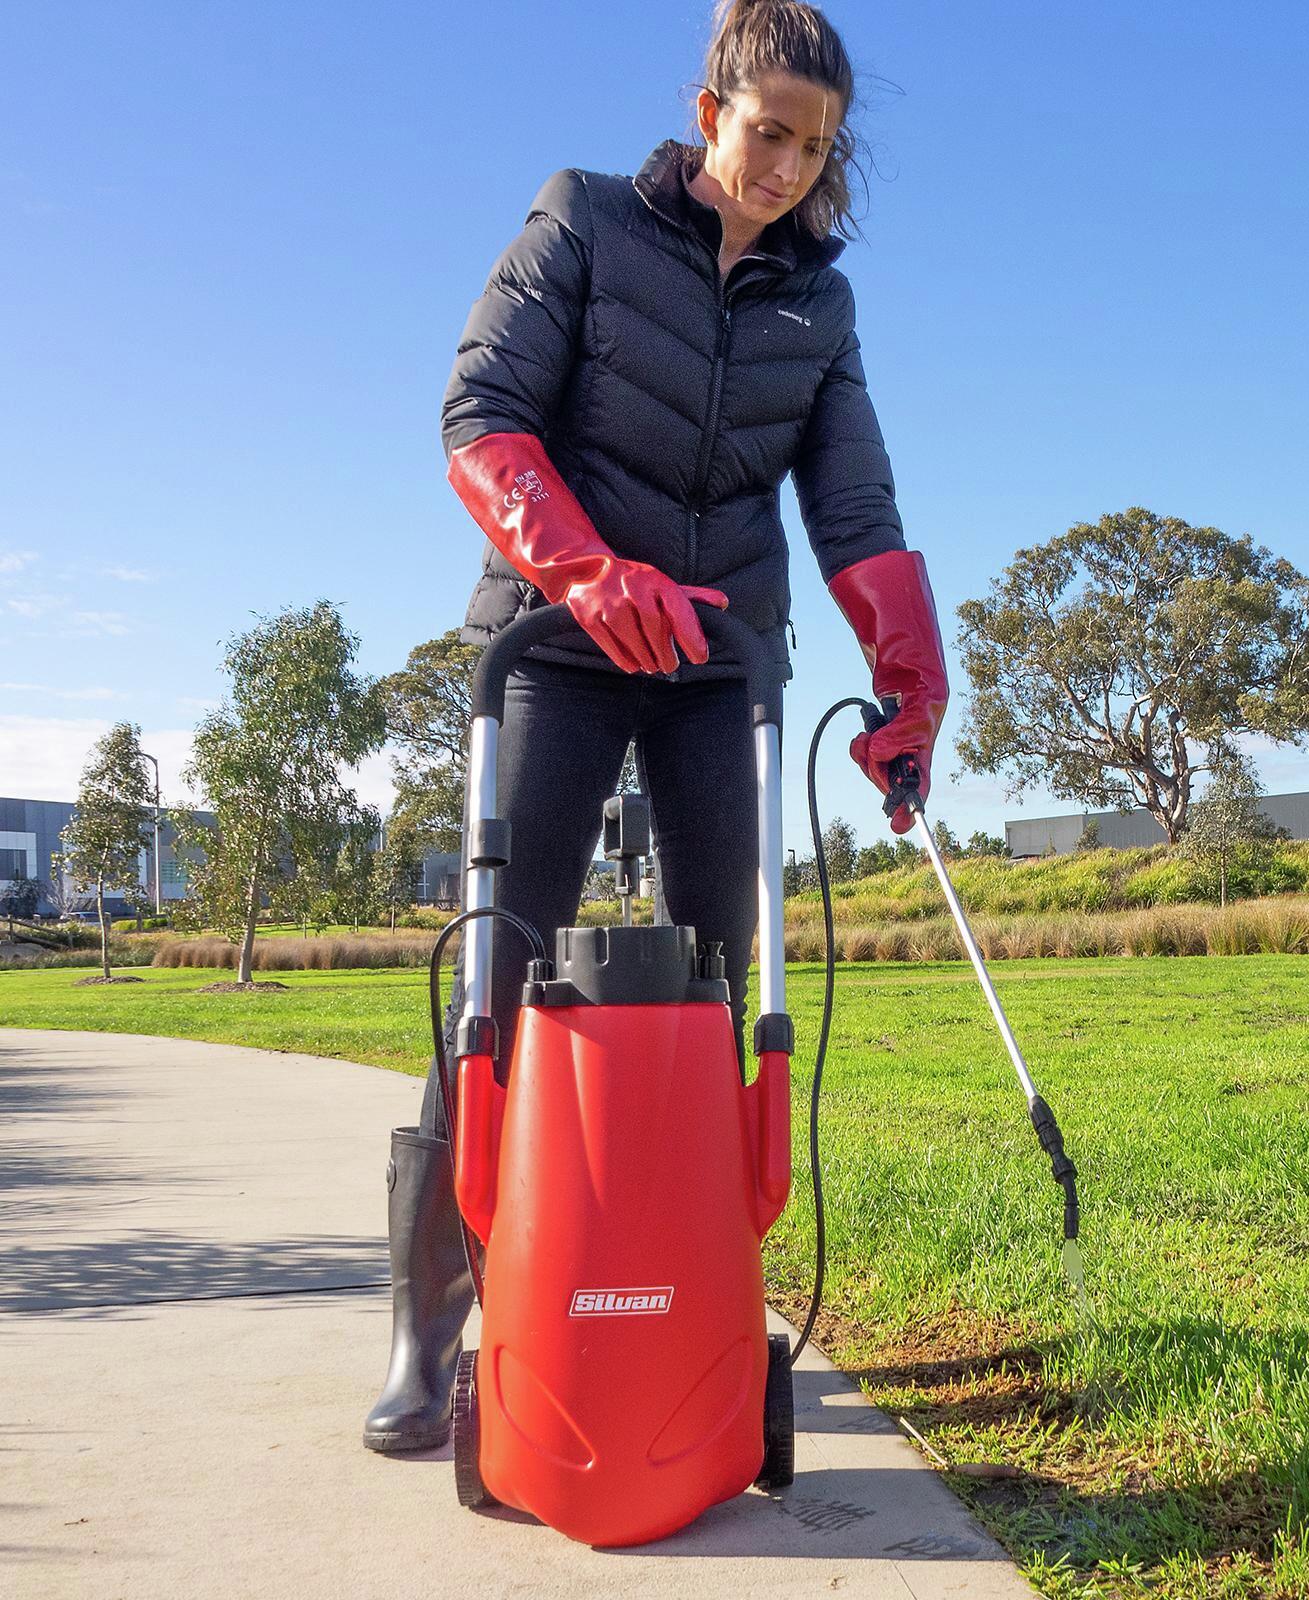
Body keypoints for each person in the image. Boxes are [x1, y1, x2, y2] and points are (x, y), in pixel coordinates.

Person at [363, 0, 949, 1454]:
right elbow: (479, 413)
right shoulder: (582, 221)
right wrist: (585, 570)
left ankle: (692, 1284)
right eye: (767, 134)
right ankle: (430, 1321)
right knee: (497, 976)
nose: (787, 169)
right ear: (709, 112)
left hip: (713, 666)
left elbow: (856, 511)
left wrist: (910, 683)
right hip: (555, 644)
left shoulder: (823, 305)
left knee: (719, 977)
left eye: (814, 147)